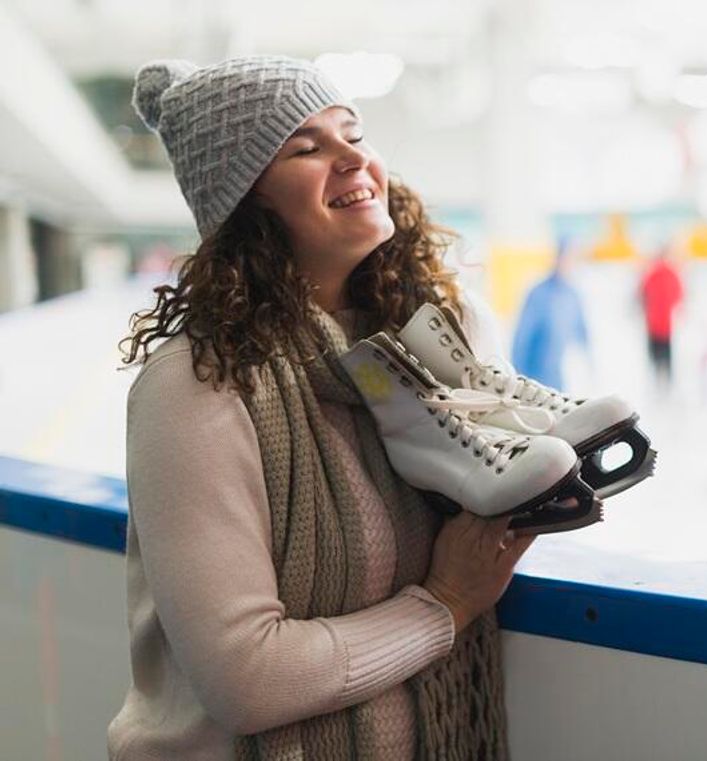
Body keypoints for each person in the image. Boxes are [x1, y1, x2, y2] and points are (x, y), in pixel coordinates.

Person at [110, 56, 529, 760]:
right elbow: (246, 677)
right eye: (305, 148)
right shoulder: (195, 385)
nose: (351, 158)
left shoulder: (432, 333)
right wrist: (445, 605)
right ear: (247, 202)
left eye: (354, 133)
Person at [510, 236, 590, 390]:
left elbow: (582, 332)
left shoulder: (572, 294)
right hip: (537, 375)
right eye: (569, 256)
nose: (572, 262)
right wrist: (518, 375)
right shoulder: (539, 293)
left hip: (561, 376)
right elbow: (522, 337)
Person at [639, 243, 684, 396]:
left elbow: (641, 296)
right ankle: (665, 387)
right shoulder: (671, 273)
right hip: (664, 324)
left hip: (655, 324)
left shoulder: (652, 273)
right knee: (665, 357)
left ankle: (660, 386)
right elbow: (679, 297)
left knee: (656, 358)